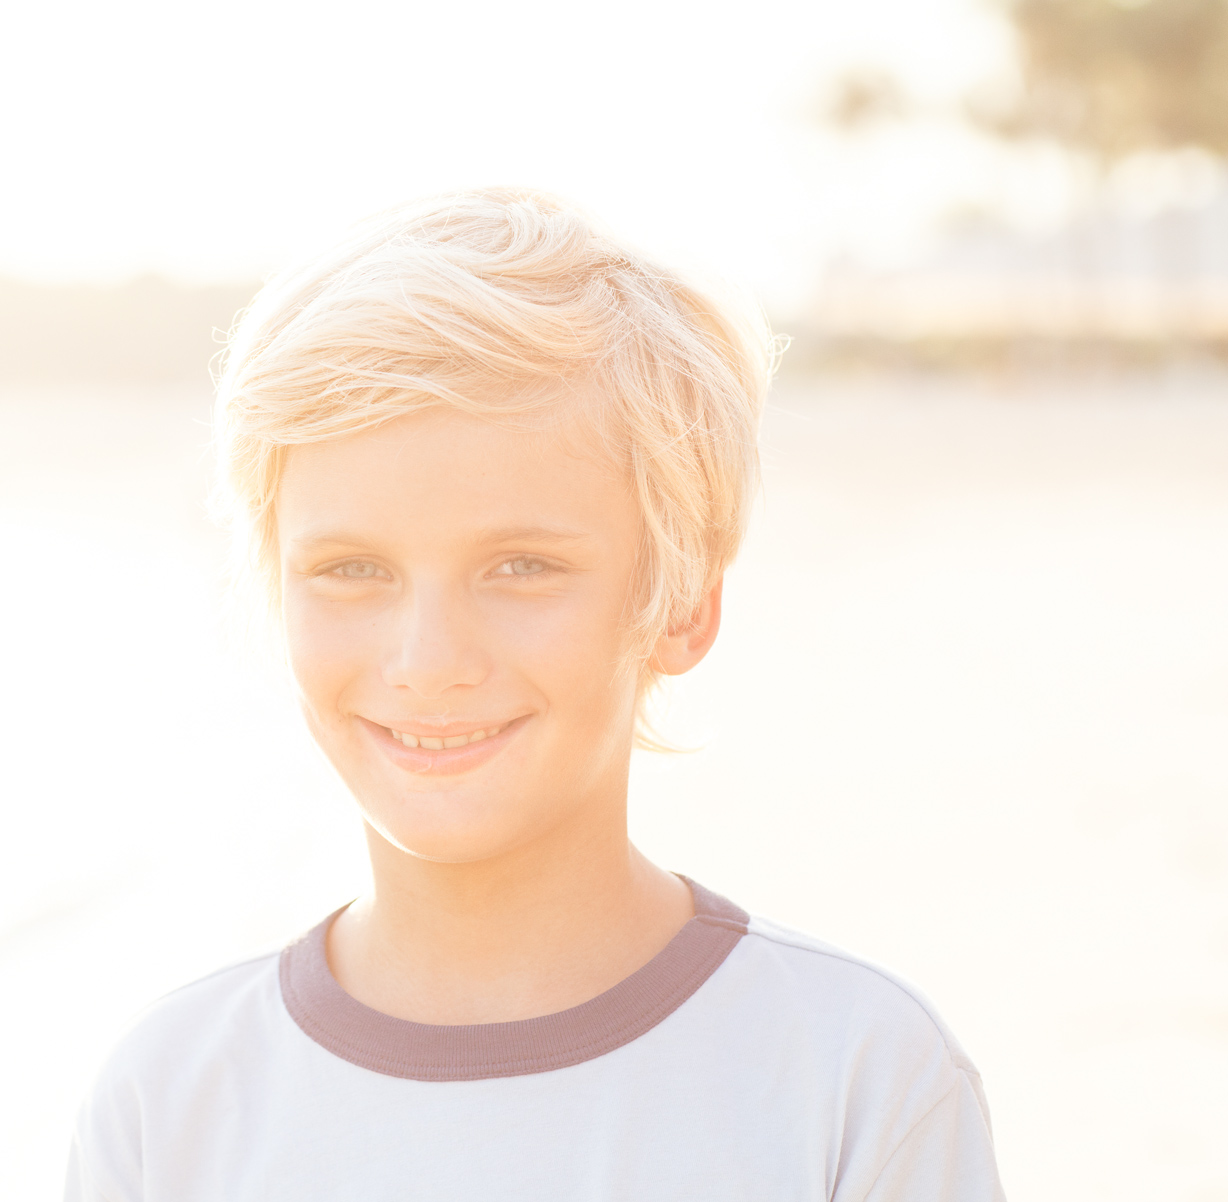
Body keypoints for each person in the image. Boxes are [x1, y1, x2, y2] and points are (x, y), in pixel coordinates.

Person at [63, 188, 1005, 1201]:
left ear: (679, 602)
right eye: (350, 569)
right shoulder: (171, 1103)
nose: (427, 659)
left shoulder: (851, 1078)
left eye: (519, 566)